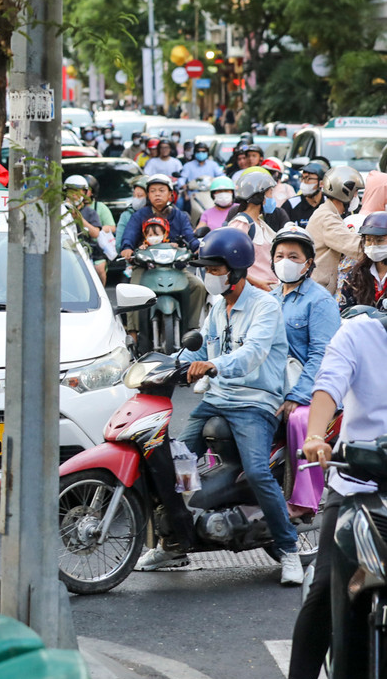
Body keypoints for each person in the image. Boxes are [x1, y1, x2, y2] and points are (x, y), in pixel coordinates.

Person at [138, 226, 301, 585]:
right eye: (207, 270)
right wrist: (164, 362)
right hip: (216, 399)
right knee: (169, 461)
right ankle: (174, 542)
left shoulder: (266, 306)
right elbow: (200, 349)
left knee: (257, 472)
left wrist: (214, 366)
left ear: (237, 270)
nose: (208, 276)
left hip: (255, 402)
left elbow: (252, 354)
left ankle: (289, 549)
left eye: (214, 270)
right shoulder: (216, 306)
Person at [269, 308, 387, 679]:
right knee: (325, 586)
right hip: (357, 484)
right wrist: (316, 435)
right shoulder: (358, 333)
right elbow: (328, 386)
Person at [269, 226, 340, 518]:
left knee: (299, 419)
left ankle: (304, 499)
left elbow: (322, 356)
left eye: (294, 256)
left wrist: (297, 395)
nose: (286, 261)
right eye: (280, 255)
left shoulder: (320, 301)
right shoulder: (268, 299)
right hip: (273, 385)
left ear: (308, 262)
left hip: (311, 389)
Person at [119, 174, 206, 332]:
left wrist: (197, 247)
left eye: (161, 190)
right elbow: (129, 235)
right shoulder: (139, 216)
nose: (157, 194)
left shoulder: (180, 216)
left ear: (171, 194)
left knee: (198, 286)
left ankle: (191, 328)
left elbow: (190, 237)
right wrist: (127, 247)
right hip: (145, 266)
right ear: (148, 195)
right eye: (152, 191)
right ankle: (133, 332)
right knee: (133, 291)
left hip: (175, 267)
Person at [308, 165, 365, 295]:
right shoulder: (327, 217)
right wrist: (378, 246)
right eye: (355, 192)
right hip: (320, 289)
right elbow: (352, 245)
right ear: (345, 191)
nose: (356, 196)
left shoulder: (328, 213)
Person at [226, 170, 279, 291]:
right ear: (259, 196)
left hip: (269, 290)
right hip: (252, 292)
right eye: (270, 193)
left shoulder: (261, 223)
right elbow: (229, 261)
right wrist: (257, 282)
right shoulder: (242, 223)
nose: (272, 197)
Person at [339, 212, 387, 310]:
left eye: (379, 240)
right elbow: (345, 312)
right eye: (369, 240)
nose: (373, 245)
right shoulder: (355, 276)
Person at [285, 161, 327, 227]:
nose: (304, 182)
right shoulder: (291, 204)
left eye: (309, 178)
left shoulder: (329, 203)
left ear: (321, 183)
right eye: (302, 178)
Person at [114, 176, 148, 244]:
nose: (136, 199)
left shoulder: (158, 213)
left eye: (140, 196)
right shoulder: (127, 215)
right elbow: (119, 245)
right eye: (134, 196)